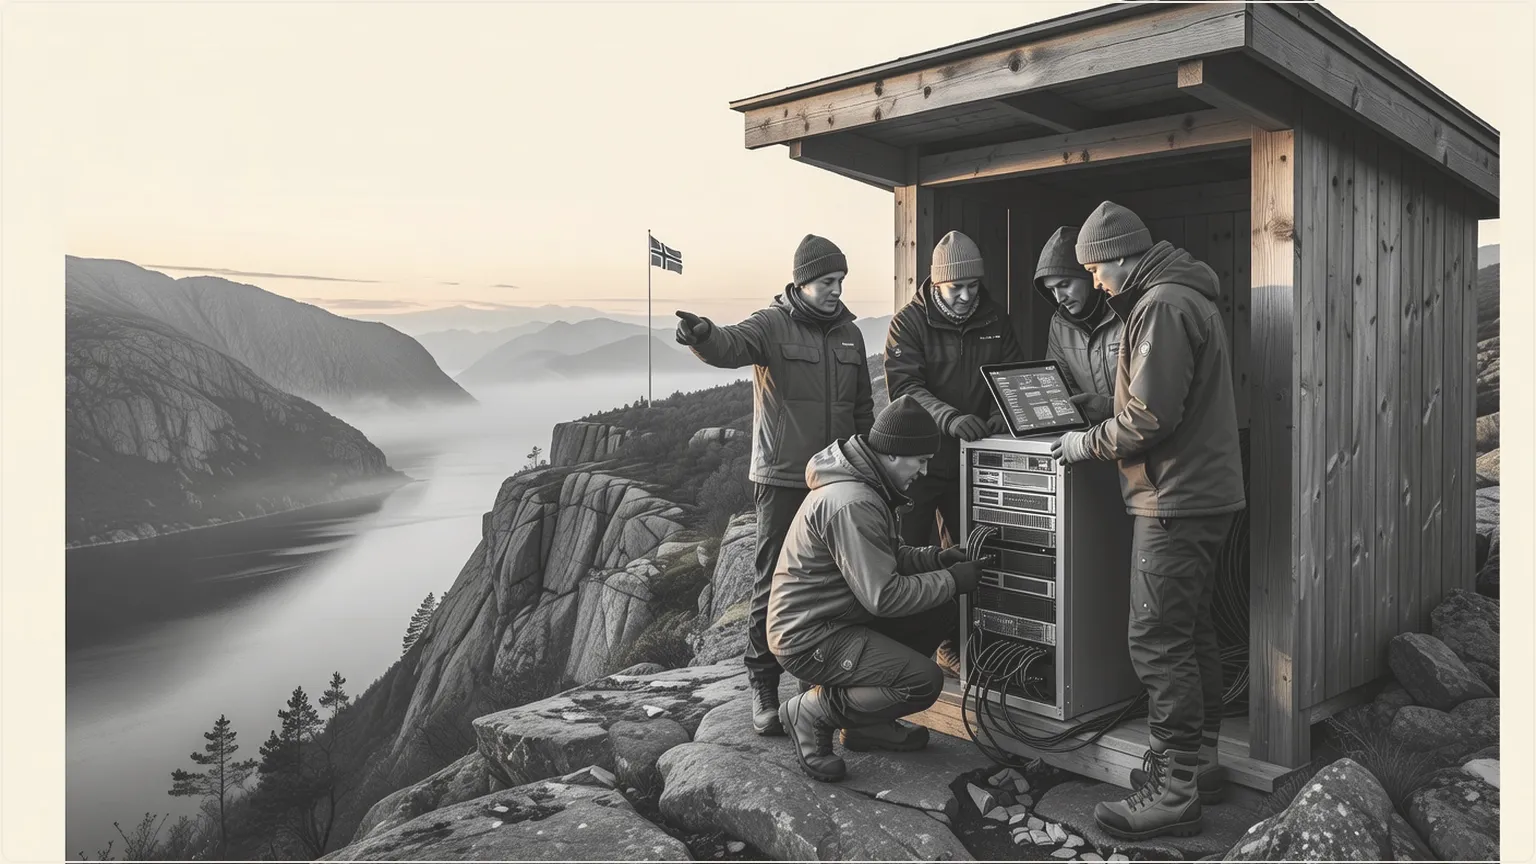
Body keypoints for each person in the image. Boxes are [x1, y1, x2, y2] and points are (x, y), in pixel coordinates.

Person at [1048, 201, 1245, 840]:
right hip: (1201, 492)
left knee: (1157, 640)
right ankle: (1201, 762)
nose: (1095, 282)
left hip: (1174, 497)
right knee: (1191, 632)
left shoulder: (1160, 304)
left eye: (1095, 269)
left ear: (1120, 256)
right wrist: (1098, 402)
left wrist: (1084, 441)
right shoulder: (1184, 296)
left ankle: (1173, 792)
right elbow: (1158, 397)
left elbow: (1149, 420)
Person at [675, 233, 876, 739]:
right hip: (784, 477)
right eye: (828, 281)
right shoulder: (771, 324)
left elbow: (863, 410)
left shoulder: (850, 334)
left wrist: (869, 466)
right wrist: (701, 334)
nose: (836, 290)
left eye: (840, 281)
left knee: (841, 579)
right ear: (803, 281)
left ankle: (828, 687)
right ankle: (764, 686)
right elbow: (729, 345)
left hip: (838, 479)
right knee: (772, 581)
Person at [766, 395, 988, 782]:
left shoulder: (864, 484)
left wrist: (937, 560)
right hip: (810, 636)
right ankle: (812, 711)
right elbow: (883, 596)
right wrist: (954, 581)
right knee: (923, 681)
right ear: (893, 454)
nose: (923, 471)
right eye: (919, 460)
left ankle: (866, 725)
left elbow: (886, 556)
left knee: (938, 610)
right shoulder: (853, 501)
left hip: (838, 620)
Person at [884, 230, 1023, 675]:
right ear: (936, 283)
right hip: (919, 466)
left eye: (972, 286)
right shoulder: (908, 322)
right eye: (955, 288)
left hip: (973, 462)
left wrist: (1008, 414)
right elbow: (905, 387)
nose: (965, 296)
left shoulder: (995, 318)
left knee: (966, 554)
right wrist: (948, 419)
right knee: (911, 557)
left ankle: (957, 645)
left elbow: (1012, 374)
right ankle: (901, 656)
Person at [1034, 225, 1124, 424]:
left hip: (1138, 433)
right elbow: (1060, 386)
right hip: (1090, 437)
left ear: (1090, 275)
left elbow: (1154, 395)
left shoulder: (1127, 314)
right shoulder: (1059, 325)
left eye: (1065, 285)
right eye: (1051, 290)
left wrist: (1108, 407)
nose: (1059, 298)